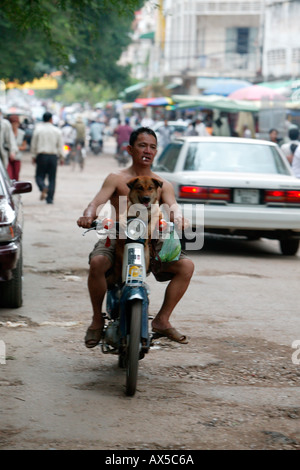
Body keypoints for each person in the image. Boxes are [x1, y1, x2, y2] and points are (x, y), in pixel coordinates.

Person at [77, 127, 194, 348]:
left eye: (152, 147)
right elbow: (96, 202)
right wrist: (88, 215)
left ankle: (162, 320)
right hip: (118, 235)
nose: (147, 151)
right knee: (97, 262)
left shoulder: (162, 184)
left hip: (152, 240)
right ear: (130, 149)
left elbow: (174, 207)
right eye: (142, 145)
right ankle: (95, 319)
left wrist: (179, 219)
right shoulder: (116, 179)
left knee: (186, 267)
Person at [31, 111, 64, 204]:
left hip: (41, 156)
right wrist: (62, 157)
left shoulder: (38, 130)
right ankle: (50, 198)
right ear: (51, 119)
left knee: (39, 176)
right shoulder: (56, 130)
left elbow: (34, 144)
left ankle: (43, 187)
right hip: (53, 156)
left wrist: (33, 156)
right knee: (52, 178)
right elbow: (59, 145)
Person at [7, 115, 27, 181]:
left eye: (16, 124)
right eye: (13, 124)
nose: (15, 125)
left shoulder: (22, 133)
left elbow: (24, 146)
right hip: (8, 158)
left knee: (16, 177)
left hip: (17, 157)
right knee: (9, 176)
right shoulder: (7, 133)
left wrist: (14, 148)